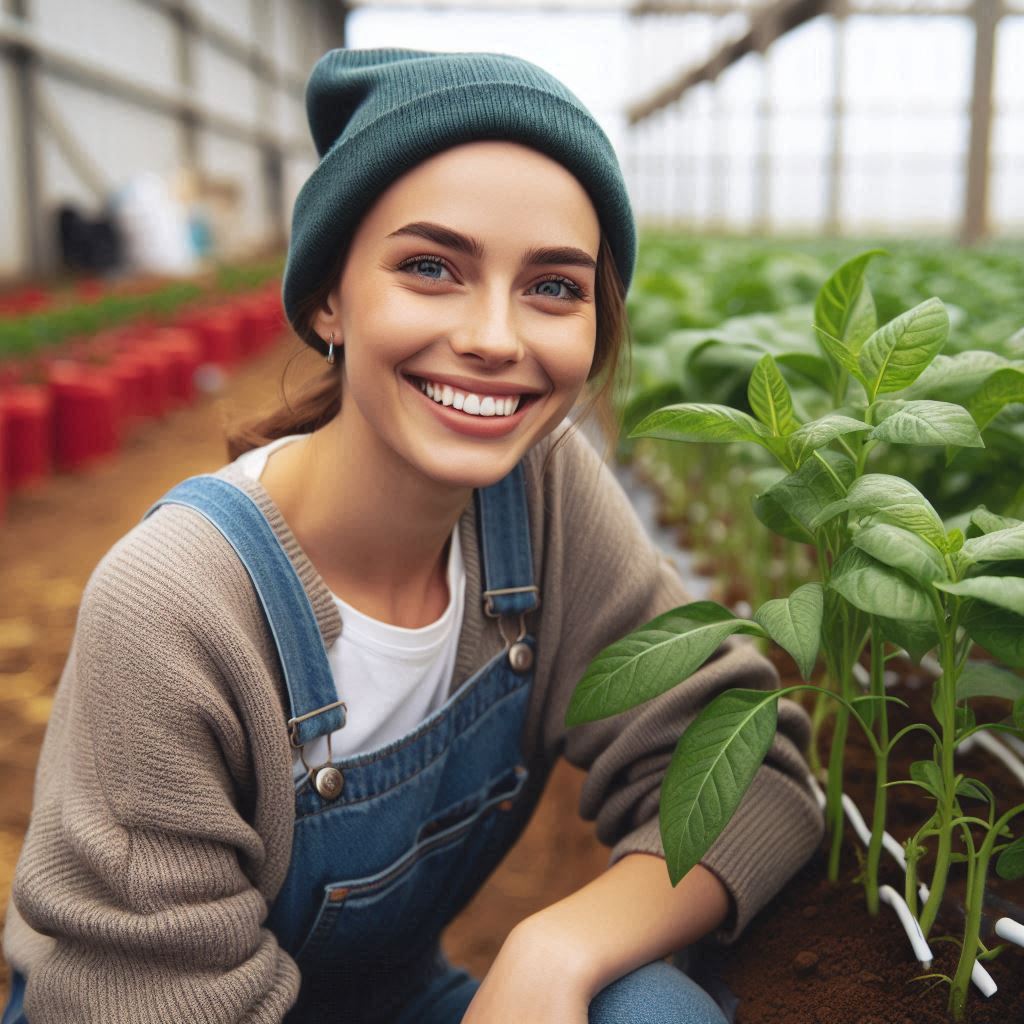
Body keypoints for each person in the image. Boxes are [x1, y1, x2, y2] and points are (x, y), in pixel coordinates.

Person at [2, 48, 823, 1024]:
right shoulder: (179, 604)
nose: (494, 336)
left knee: (650, 1006)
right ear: (327, 298)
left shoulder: (543, 498)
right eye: (431, 268)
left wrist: (556, 948)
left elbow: (745, 771)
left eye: (553, 287)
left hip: (388, 1000)